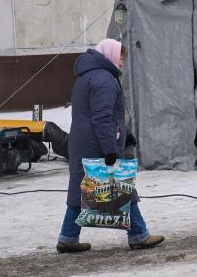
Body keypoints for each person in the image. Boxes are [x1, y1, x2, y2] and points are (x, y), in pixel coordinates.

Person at [56, 38, 165, 253]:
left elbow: (105, 115)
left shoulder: (88, 75)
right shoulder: (104, 79)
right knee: (122, 185)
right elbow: (102, 116)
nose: (122, 62)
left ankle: (68, 237)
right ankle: (138, 235)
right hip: (97, 142)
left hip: (85, 141)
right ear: (109, 55)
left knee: (82, 188)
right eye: (120, 57)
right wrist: (109, 149)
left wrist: (126, 134)